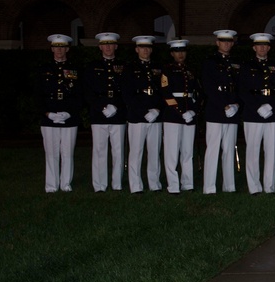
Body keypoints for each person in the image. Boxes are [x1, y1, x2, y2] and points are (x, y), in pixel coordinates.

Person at [35, 33, 83, 193]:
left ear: (67, 48)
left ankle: (65, 184)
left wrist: (70, 112)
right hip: (49, 117)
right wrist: (47, 113)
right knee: (51, 153)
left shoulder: (75, 69)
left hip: (70, 117)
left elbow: (80, 94)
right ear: (52, 49)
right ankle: (51, 185)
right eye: (56, 47)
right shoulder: (44, 69)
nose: (59, 50)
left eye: (62, 47)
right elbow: (38, 94)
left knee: (67, 152)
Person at [239, 32, 275, 195]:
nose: (262, 48)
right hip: (253, 113)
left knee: (271, 151)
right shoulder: (246, 66)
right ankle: (254, 187)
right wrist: (257, 107)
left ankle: (269, 186)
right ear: (254, 47)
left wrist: (271, 106)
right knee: (252, 151)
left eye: (265, 45)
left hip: (273, 113)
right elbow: (242, 90)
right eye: (259, 45)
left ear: (269, 47)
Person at [84, 32, 126, 192]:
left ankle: (117, 184)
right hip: (99, 114)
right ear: (100, 46)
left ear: (116, 46)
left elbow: (127, 90)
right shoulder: (91, 67)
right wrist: (101, 107)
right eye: (105, 44)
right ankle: (99, 185)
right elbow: (87, 91)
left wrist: (116, 106)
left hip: (118, 113)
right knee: (99, 150)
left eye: (111, 44)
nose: (108, 47)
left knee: (118, 151)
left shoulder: (124, 66)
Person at [122, 35, 164, 193]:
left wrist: (157, 109)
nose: (145, 50)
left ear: (151, 49)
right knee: (136, 152)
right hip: (137, 116)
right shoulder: (130, 68)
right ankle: (136, 185)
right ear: (136, 49)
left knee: (154, 151)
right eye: (142, 47)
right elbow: (127, 94)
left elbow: (163, 91)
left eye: (148, 47)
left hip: (155, 115)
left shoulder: (158, 68)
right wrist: (142, 111)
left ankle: (154, 183)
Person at [160, 38, 202, 194]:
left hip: (189, 115)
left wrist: (194, 110)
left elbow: (198, 92)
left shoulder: (191, 70)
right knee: (171, 153)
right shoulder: (167, 70)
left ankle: (187, 183)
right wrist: (180, 112)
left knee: (187, 152)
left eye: (183, 51)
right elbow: (166, 92)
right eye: (177, 51)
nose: (180, 54)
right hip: (172, 115)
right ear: (172, 53)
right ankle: (173, 185)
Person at [202, 29, 241, 194]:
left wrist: (237, 105)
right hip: (216, 111)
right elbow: (208, 87)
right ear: (217, 43)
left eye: (229, 41)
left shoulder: (237, 62)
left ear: (232, 43)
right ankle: (209, 187)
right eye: (223, 41)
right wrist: (224, 105)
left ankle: (229, 186)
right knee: (212, 150)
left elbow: (241, 86)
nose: (226, 44)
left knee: (229, 149)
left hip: (233, 110)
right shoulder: (209, 61)